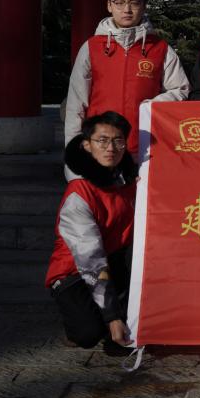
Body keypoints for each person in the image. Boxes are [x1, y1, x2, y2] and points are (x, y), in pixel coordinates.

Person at [64, 0, 191, 158]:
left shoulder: (160, 48)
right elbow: (76, 103)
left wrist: (153, 104)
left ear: (144, 6)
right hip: (101, 146)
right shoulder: (92, 47)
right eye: (119, 2)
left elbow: (180, 89)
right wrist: (73, 151)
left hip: (147, 144)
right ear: (109, 6)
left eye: (134, 3)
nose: (127, 9)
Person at [45, 111, 137, 351]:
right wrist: (112, 317)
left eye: (118, 141)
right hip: (74, 271)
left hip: (115, 262)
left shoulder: (129, 183)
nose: (111, 148)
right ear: (87, 145)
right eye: (102, 141)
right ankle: (94, 320)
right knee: (87, 334)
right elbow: (90, 259)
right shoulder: (79, 193)